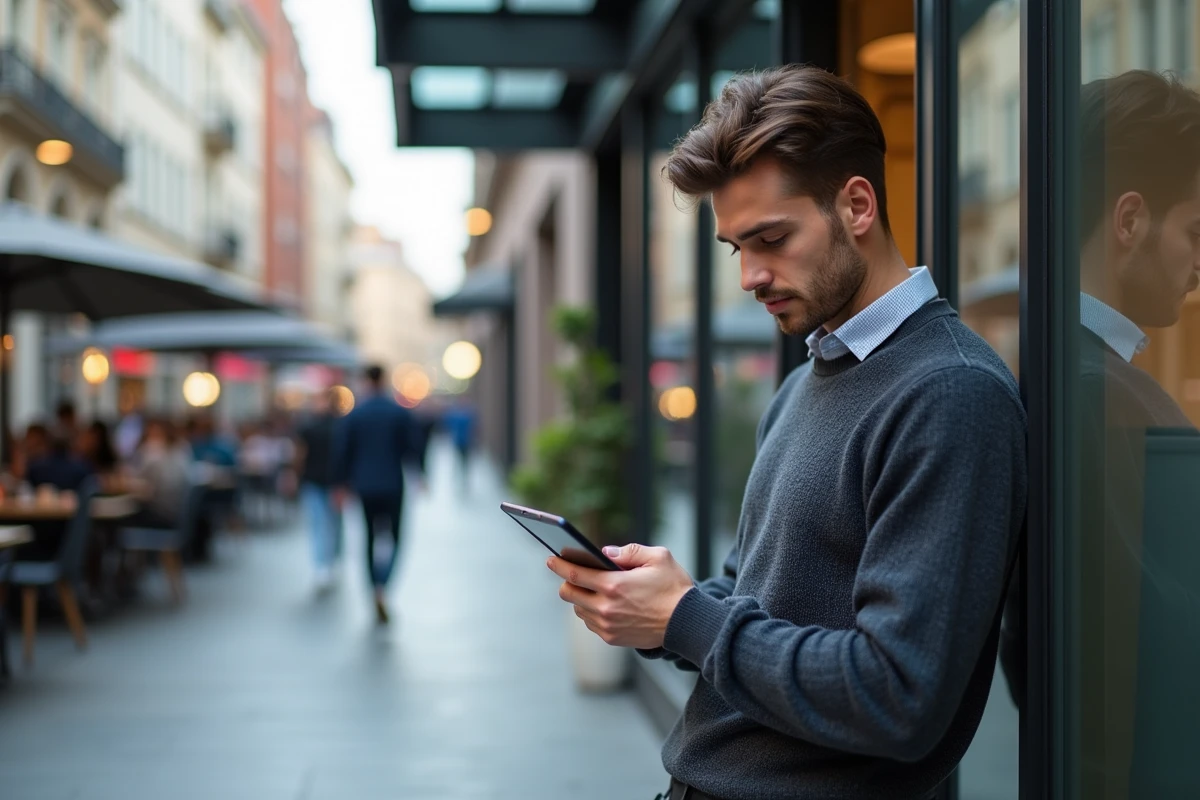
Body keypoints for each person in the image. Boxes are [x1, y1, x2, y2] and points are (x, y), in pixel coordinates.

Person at [547, 65, 1027, 800]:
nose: (750, 276)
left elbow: (899, 694)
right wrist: (657, 609)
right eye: (737, 247)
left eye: (772, 238)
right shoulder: (806, 381)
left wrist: (687, 617)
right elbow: (754, 601)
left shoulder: (951, 393)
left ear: (857, 205)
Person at [998, 70, 1200, 799]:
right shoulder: (1094, 392)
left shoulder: (1072, 372)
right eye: (1195, 231)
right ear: (1130, 220)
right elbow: (1120, 651)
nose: (1199, 262)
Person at [334, 365, 425, 623]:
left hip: (364, 486)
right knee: (395, 537)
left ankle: (374, 586)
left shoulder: (356, 414)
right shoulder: (398, 412)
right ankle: (384, 585)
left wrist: (340, 484)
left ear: (365, 380)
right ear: (383, 380)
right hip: (393, 484)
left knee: (369, 538)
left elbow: (343, 451)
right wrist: (421, 475)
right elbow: (414, 446)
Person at [296, 388, 343, 591]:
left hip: (329, 483)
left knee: (328, 524)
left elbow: (299, 455)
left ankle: (328, 562)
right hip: (318, 482)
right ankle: (325, 564)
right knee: (323, 524)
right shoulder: (312, 427)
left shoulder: (336, 426)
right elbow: (300, 454)